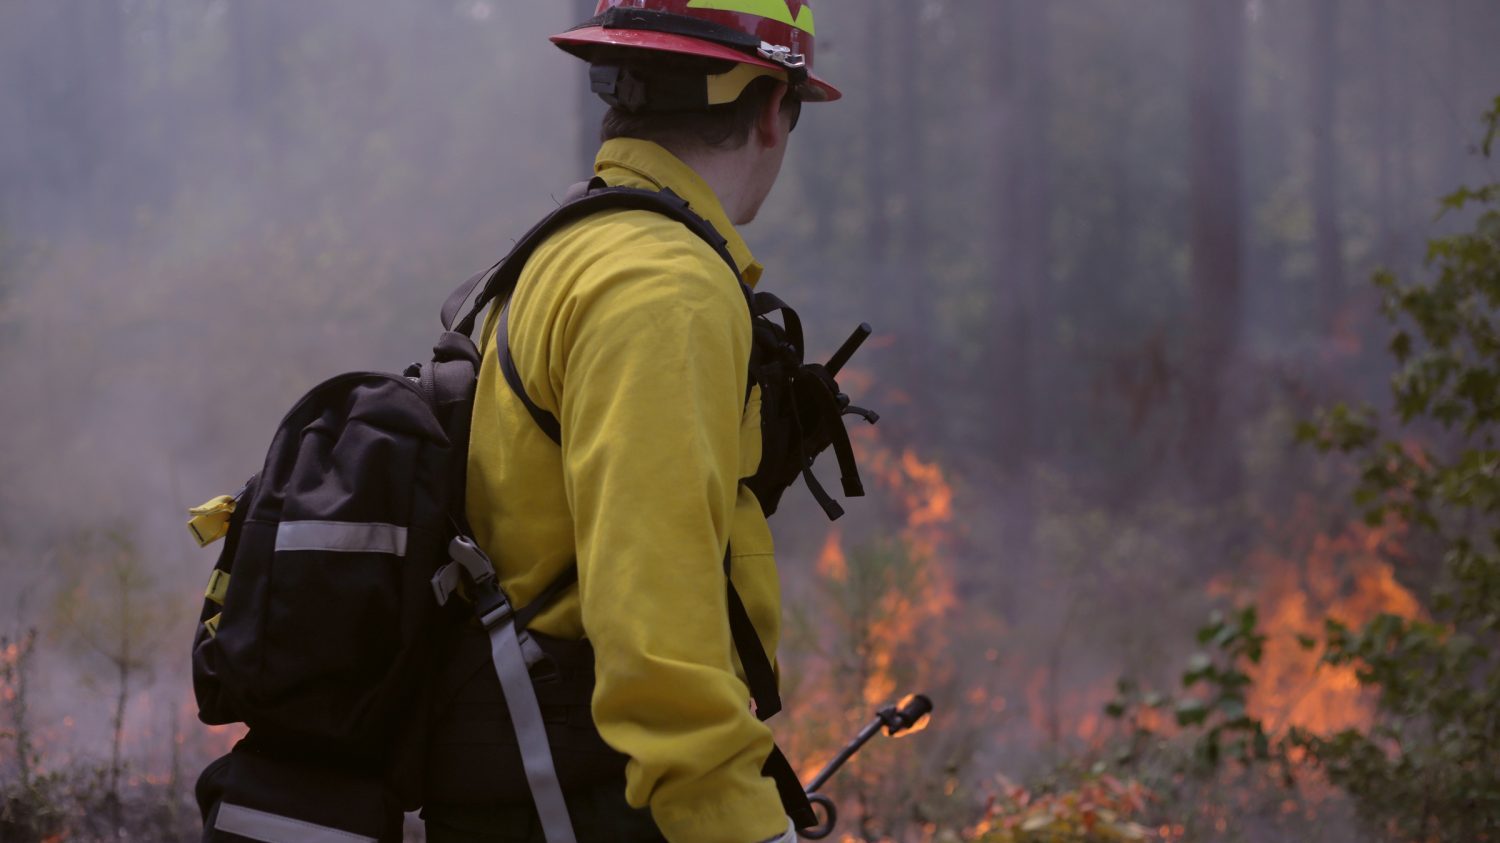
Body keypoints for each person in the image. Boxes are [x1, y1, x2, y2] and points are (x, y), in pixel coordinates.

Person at [420, 2, 844, 842]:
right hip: (597, 797)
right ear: (769, 107)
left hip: (529, 773)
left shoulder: (570, 247)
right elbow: (658, 640)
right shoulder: (664, 287)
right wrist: (743, 825)